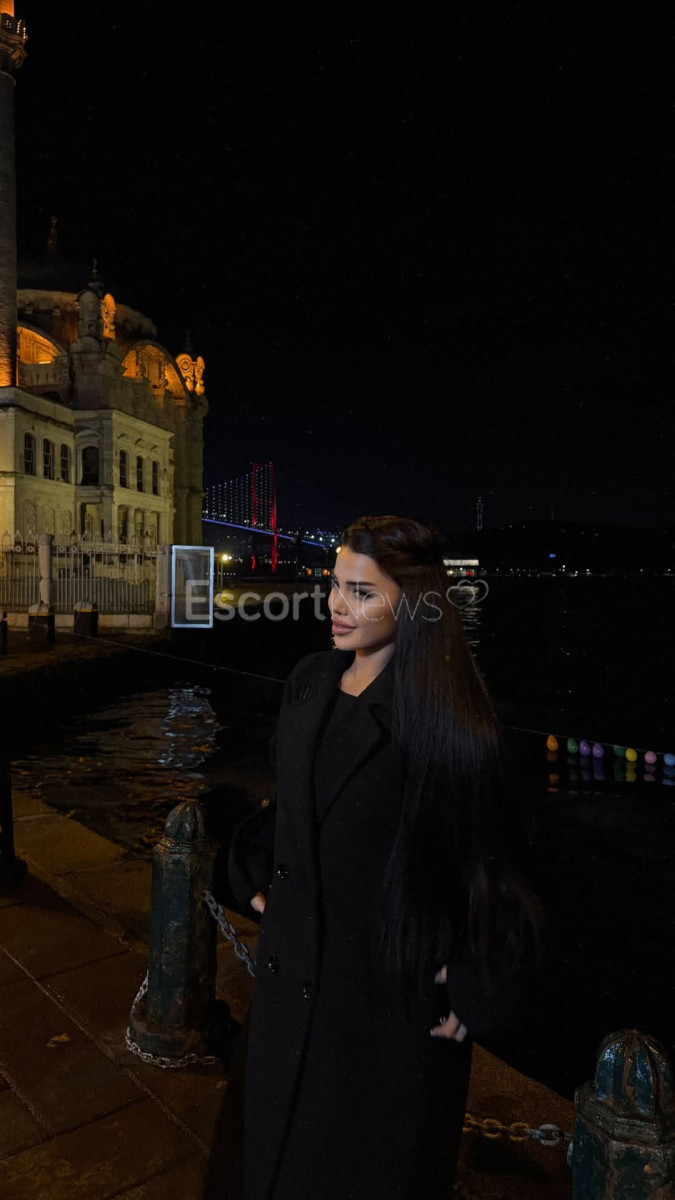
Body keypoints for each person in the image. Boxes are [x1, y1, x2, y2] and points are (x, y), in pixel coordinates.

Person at [227, 514, 540, 1200]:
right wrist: (253, 873)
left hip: (378, 1016)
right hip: (289, 990)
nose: (336, 605)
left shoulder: (449, 720)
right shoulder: (309, 680)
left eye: (362, 592)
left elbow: (497, 867)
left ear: (416, 603)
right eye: (336, 584)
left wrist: (474, 982)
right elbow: (291, 807)